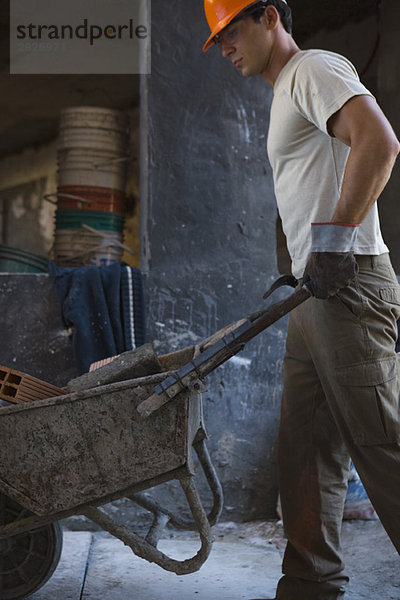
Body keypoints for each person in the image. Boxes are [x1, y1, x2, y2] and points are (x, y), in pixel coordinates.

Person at [202, 1, 400, 599]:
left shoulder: (312, 69)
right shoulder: (285, 91)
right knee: (306, 448)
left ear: (269, 18)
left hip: (349, 284)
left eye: (232, 31)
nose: (226, 47)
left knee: (382, 443)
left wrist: (335, 240)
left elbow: (379, 142)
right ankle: (311, 584)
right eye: (218, 41)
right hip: (314, 292)